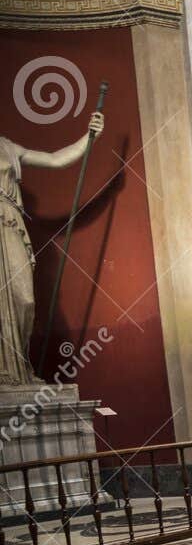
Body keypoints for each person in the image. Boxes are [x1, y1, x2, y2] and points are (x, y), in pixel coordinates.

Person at [1, 109, 105, 385]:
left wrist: (89, 137)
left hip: (9, 226)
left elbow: (56, 159)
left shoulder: (8, 147)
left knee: (24, 299)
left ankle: (19, 371)